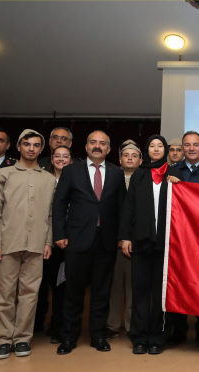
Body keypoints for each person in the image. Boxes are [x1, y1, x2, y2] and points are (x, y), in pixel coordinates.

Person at [53, 130, 126, 355]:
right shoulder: (71, 171)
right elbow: (59, 204)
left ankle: (98, 336)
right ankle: (68, 338)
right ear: (85, 147)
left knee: (101, 292)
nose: (97, 146)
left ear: (109, 149)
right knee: (73, 292)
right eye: (93, 142)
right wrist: (59, 234)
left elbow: (122, 208)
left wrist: (121, 237)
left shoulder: (116, 173)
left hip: (106, 242)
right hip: (75, 241)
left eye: (102, 143)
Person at [0, 129, 55, 359]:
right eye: (26, 144)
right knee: (4, 293)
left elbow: (50, 214)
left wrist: (48, 241)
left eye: (36, 145)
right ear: (18, 147)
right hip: (8, 243)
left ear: (41, 149)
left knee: (30, 294)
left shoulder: (48, 178)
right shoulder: (3, 175)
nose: (31, 148)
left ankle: (23, 339)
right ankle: (3, 339)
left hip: (37, 244)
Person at [120, 135, 182, 355]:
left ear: (165, 150)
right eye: (152, 146)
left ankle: (157, 337)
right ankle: (139, 337)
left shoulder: (175, 174)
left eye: (160, 146)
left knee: (160, 293)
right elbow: (129, 208)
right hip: (140, 241)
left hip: (166, 243)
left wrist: (178, 185)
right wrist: (126, 237)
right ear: (147, 150)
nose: (156, 149)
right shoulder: (139, 174)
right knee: (140, 291)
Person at [166, 131, 199, 347]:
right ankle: (178, 332)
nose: (191, 148)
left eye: (195, 145)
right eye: (187, 145)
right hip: (178, 239)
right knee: (178, 284)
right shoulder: (171, 171)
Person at [34, 145, 73, 343]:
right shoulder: (44, 180)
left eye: (65, 156)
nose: (61, 159)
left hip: (66, 242)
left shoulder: (76, 179)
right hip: (43, 240)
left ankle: (58, 326)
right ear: (51, 159)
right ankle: (37, 323)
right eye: (57, 156)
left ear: (71, 160)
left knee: (62, 287)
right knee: (41, 286)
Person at [106, 140, 142, 340]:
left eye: (134, 155)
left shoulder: (145, 180)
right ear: (119, 160)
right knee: (113, 285)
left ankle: (130, 325)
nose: (129, 158)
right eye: (126, 155)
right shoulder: (111, 178)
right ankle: (112, 324)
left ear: (140, 160)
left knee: (132, 286)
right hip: (112, 242)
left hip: (136, 242)